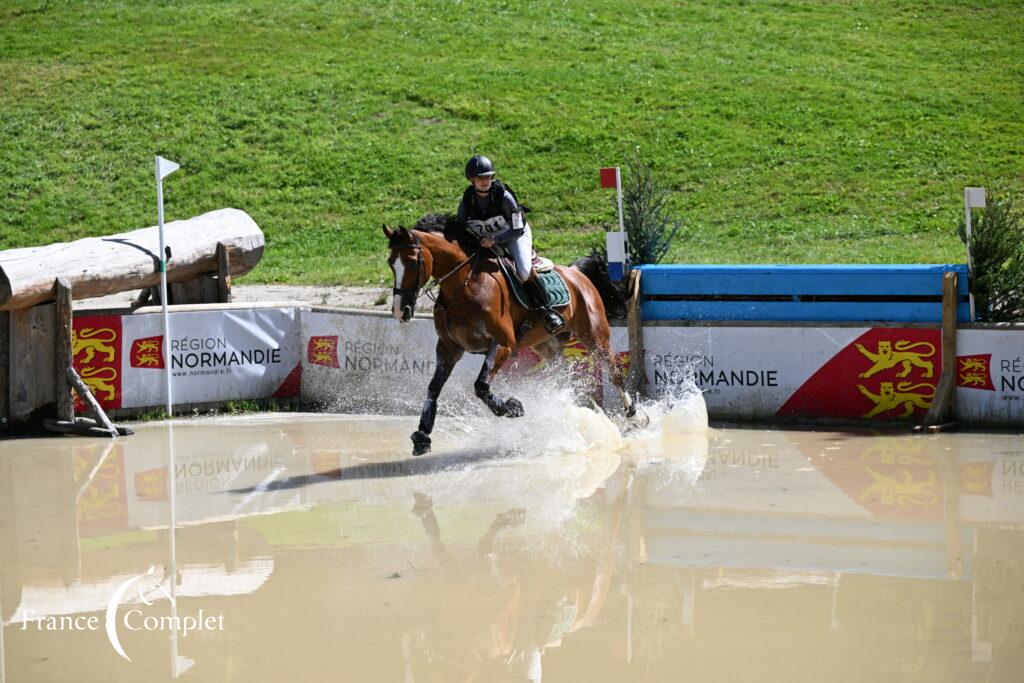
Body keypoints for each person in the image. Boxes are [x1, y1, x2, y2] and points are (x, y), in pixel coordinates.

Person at [455, 155, 565, 334]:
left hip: (515, 235)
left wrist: (495, 240)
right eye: (480, 178)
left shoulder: (504, 197)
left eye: (488, 176)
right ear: (472, 180)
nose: (485, 181)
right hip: (487, 240)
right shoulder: (467, 200)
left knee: (522, 270)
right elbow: (460, 226)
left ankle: (547, 310)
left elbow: (517, 228)